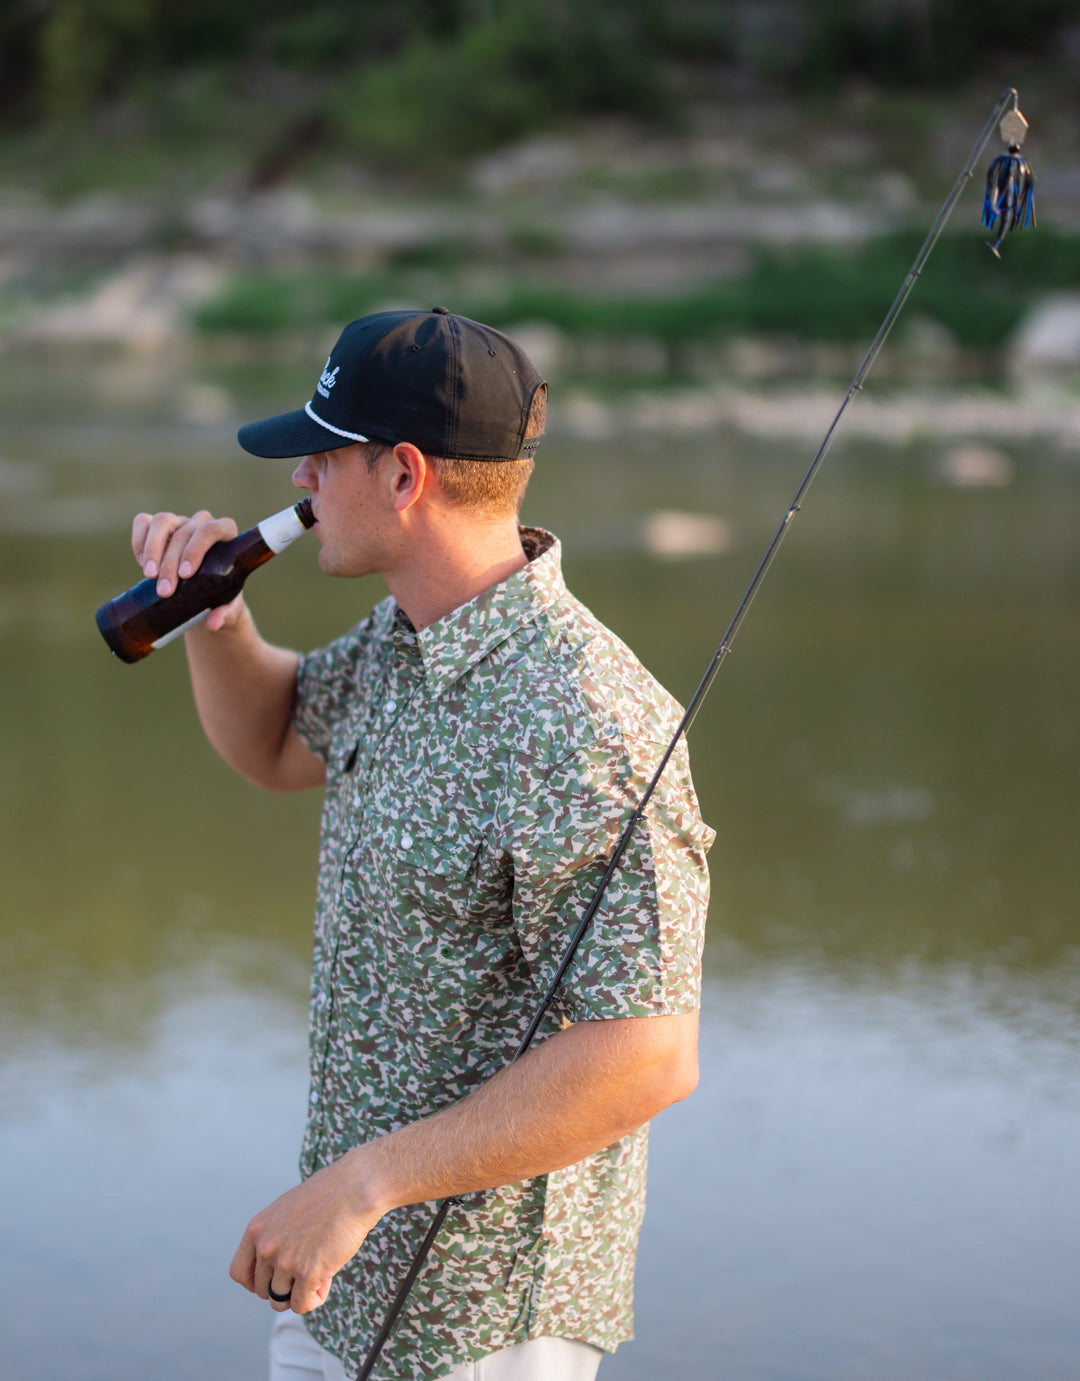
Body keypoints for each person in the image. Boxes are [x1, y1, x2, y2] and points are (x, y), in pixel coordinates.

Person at [131, 307, 713, 1381]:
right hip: (341, 1281)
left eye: (322, 452)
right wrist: (213, 614)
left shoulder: (586, 720)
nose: (300, 476)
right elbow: (273, 741)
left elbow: (646, 1053)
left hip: (483, 1327)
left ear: (404, 476)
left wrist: (363, 1184)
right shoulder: (408, 635)